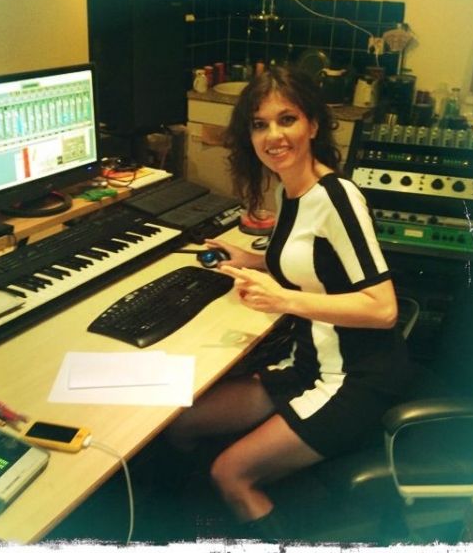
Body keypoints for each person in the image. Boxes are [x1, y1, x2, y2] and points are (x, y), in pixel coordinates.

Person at [165, 65, 410, 539]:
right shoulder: (288, 189)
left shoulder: (338, 198)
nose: (273, 135)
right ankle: (187, 526)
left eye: (287, 119)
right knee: (182, 423)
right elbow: (314, 264)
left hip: (355, 378)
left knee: (230, 473)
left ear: (312, 125)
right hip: (307, 364)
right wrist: (253, 261)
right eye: (260, 124)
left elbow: (383, 309)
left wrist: (283, 299)